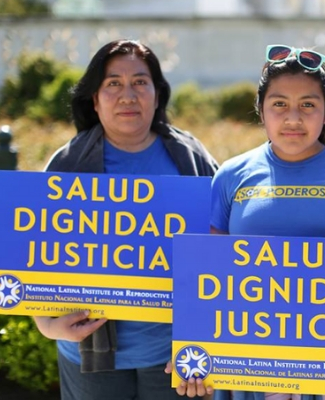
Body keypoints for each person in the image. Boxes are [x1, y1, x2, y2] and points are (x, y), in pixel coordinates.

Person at [205, 44, 325, 400]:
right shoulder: (230, 176)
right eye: (279, 104)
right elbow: (209, 282)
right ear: (261, 110)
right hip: (252, 363)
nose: (293, 118)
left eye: (308, 105)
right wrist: (197, 361)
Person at [33, 39, 219, 400]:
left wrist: (206, 340)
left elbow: (222, 249)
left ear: (157, 94)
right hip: (89, 354)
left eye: (140, 82)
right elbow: (34, 253)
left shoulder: (191, 158)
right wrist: (48, 327)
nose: (128, 95)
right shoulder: (66, 165)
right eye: (113, 83)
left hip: (173, 354)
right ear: (95, 98)